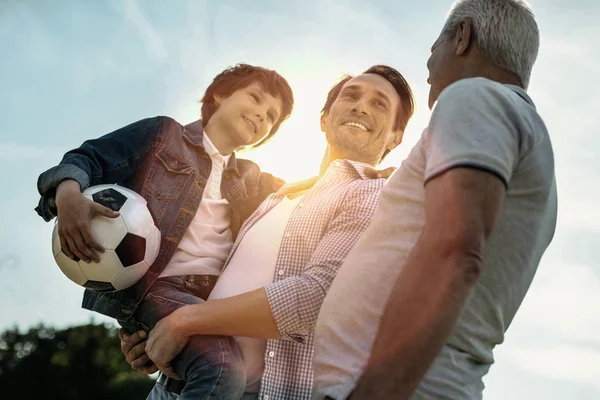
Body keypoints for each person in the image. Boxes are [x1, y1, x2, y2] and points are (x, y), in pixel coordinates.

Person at [119, 64, 415, 400]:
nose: (361, 106)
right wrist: (155, 330)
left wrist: (185, 321)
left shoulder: (373, 195)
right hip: (181, 387)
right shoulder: (272, 198)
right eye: (351, 95)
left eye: (380, 104)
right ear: (323, 119)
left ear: (395, 137)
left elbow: (319, 298)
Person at [312, 1, 558, 399]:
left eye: (432, 47)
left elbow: (455, 249)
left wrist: (376, 391)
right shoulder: (526, 139)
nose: (428, 66)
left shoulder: (476, 97)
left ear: (462, 37)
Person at [35, 63, 294, 399]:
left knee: (198, 381)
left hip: (212, 301)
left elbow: (304, 191)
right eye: (256, 99)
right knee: (221, 371)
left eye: (271, 116)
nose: (262, 115)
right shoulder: (163, 135)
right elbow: (88, 158)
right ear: (219, 94)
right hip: (158, 288)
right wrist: (68, 195)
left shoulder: (249, 177)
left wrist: (372, 174)